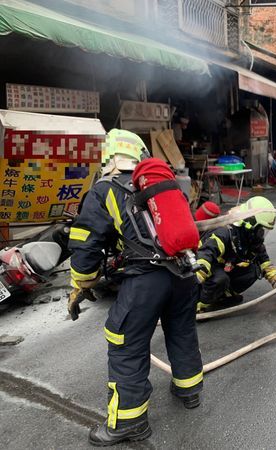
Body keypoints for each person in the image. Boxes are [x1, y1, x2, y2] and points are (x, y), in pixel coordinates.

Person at [68, 129, 204, 446]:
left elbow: (86, 247)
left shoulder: (105, 190)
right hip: (183, 274)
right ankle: (190, 389)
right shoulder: (165, 186)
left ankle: (128, 423)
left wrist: (81, 283)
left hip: (145, 281)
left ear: (108, 158)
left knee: (126, 346)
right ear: (140, 155)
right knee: (182, 331)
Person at [195, 196, 276, 311]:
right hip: (206, 265)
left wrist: (275, 278)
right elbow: (206, 253)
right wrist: (198, 276)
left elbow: (263, 260)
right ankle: (198, 303)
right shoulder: (225, 232)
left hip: (224, 266)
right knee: (220, 279)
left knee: (253, 271)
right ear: (250, 223)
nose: (262, 235)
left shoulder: (250, 238)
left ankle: (221, 297)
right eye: (261, 230)